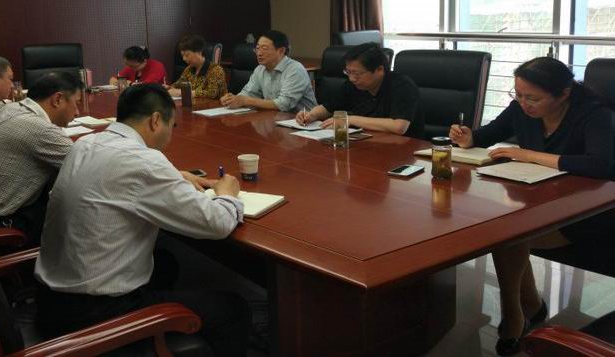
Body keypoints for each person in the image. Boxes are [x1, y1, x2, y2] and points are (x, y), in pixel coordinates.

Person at [35, 84, 250, 356]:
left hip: (50, 299)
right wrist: (228, 195)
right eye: (172, 125)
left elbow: (120, 177)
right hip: (93, 314)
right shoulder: (145, 162)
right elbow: (217, 224)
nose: (171, 134)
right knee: (233, 309)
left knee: (166, 263)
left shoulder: (86, 143)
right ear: (156, 120)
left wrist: (173, 176)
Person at [448, 57, 614, 355]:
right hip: (539, 200)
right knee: (506, 227)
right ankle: (531, 307)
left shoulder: (594, 114)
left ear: (563, 94)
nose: (523, 103)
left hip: (589, 211)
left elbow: (600, 165)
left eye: (533, 98)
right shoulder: (520, 110)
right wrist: (467, 137)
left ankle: (515, 315)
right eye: (518, 95)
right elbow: (487, 135)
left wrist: (528, 155)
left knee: (508, 233)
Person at [0, 72, 82, 245]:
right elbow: (87, 167)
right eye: (77, 103)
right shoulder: (40, 129)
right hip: (3, 226)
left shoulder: (13, 108)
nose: (77, 112)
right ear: (57, 99)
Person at [295, 42, 424, 138]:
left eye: (357, 73)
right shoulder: (352, 85)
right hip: (365, 142)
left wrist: (350, 119)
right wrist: (311, 115)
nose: (352, 78)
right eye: (348, 72)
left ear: (379, 70)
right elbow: (328, 107)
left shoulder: (402, 85)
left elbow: (399, 127)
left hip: (403, 148)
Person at [220, 29, 316, 112]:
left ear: (281, 51)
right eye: (257, 48)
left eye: (264, 48)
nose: (259, 53)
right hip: (275, 119)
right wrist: (232, 99)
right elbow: (248, 93)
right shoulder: (260, 69)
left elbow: (284, 104)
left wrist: (245, 100)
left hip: (303, 123)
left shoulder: (295, 70)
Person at [167, 34, 227, 99]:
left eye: (187, 55)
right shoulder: (188, 69)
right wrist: (167, 88)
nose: (184, 59)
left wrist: (183, 92)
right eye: (182, 55)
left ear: (199, 52)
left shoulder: (215, 70)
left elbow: (212, 93)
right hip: (195, 104)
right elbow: (178, 84)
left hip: (214, 105)